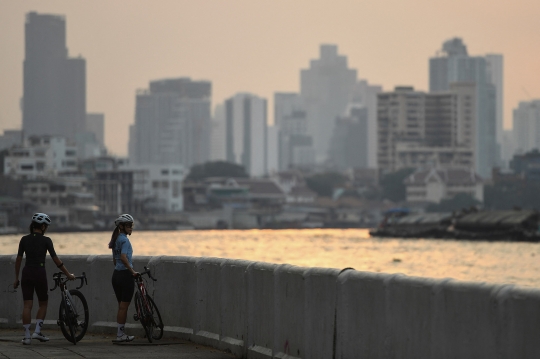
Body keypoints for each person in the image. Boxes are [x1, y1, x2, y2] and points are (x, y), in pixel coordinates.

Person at [13, 213, 75, 345]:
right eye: (45, 226)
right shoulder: (46, 240)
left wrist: (16, 278)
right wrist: (68, 274)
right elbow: (56, 260)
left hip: (26, 272)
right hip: (39, 272)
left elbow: (18, 260)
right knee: (43, 303)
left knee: (27, 305)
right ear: (42, 226)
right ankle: (37, 331)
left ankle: (27, 336)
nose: (46, 228)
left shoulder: (24, 239)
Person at [109, 213, 139, 342]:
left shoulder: (115, 239)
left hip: (116, 275)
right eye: (128, 225)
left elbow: (115, 260)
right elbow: (123, 257)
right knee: (124, 307)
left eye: (131, 225)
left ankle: (120, 333)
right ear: (121, 226)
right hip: (125, 276)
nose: (131, 228)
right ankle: (120, 335)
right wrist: (132, 271)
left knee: (121, 306)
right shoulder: (125, 240)